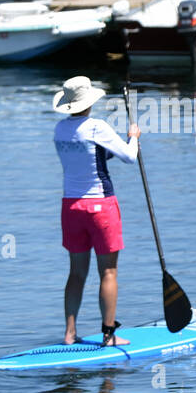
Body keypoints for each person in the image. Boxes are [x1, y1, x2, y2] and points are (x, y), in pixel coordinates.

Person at [53, 76, 140, 346]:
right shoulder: (97, 126)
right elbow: (129, 156)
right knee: (109, 272)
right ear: (90, 102)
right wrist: (133, 137)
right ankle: (108, 335)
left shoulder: (59, 130)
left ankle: (69, 333)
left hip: (71, 206)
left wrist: (121, 143)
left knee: (77, 272)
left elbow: (91, 157)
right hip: (101, 206)